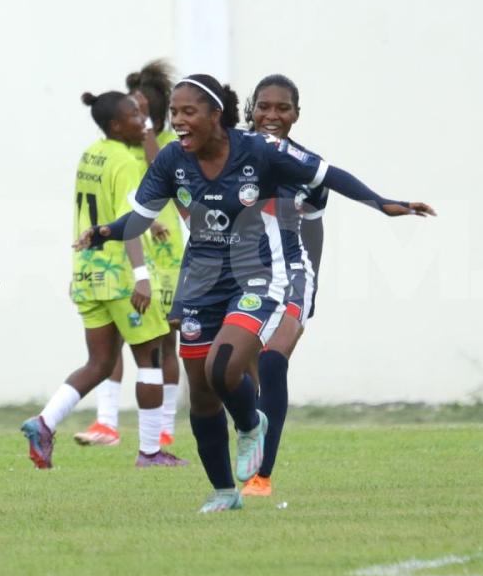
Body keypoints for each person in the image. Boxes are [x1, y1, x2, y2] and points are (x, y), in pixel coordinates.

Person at [77, 74, 433, 512]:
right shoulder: (171, 159)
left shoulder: (259, 151)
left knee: (225, 365)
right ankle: (225, 492)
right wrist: (105, 232)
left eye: (189, 112)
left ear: (215, 115)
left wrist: (383, 203)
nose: (179, 121)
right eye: (174, 113)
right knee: (202, 389)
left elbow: (327, 174)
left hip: (258, 274)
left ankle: (250, 425)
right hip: (202, 279)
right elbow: (138, 217)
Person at [23, 90, 186, 469]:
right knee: (152, 359)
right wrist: (142, 277)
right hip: (121, 277)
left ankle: (44, 422)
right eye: (134, 116)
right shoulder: (124, 161)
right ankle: (150, 452)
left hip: (86, 271)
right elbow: (129, 222)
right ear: (116, 125)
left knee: (99, 363)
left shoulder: (91, 154)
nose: (142, 122)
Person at [75, 61, 183, 448]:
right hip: (123, 254)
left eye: (141, 111)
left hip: (166, 255)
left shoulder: (168, 145)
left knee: (163, 342)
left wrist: (151, 131)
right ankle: (107, 422)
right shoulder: (116, 151)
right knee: (112, 341)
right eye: (130, 111)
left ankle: (164, 424)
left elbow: (161, 172)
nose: (135, 117)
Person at [239, 73, 328, 496]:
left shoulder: (308, 168)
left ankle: (262, 474)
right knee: (234, 372)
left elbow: (313, 227)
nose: (272, 115)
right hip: (236, 279)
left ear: (296, 114)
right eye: (264, 106)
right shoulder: (228, 156)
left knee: (273, 362)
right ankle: (244, 443)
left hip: (291, 277)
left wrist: (311, 287)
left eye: (283, 108)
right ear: (250, 109)